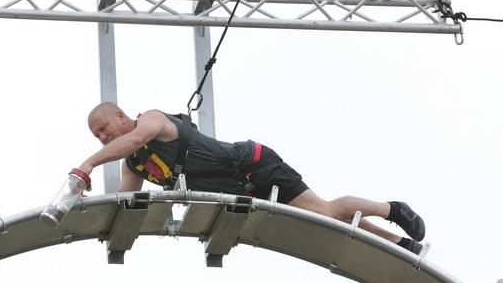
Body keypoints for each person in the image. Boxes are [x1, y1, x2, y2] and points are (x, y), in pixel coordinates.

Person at [78, 102, 426, 255]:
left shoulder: (150, 121)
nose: (104, 139)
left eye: (105, 130)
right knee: (331, 219)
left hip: (254, 165)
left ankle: (391, 208)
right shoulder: (133, 167)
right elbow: (124, 206)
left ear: (121, 117)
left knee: (327, 213)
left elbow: (135, 140)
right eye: (97, 138)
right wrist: (89, 212)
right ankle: (399, 245)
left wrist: (89, 164)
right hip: (240, 189)